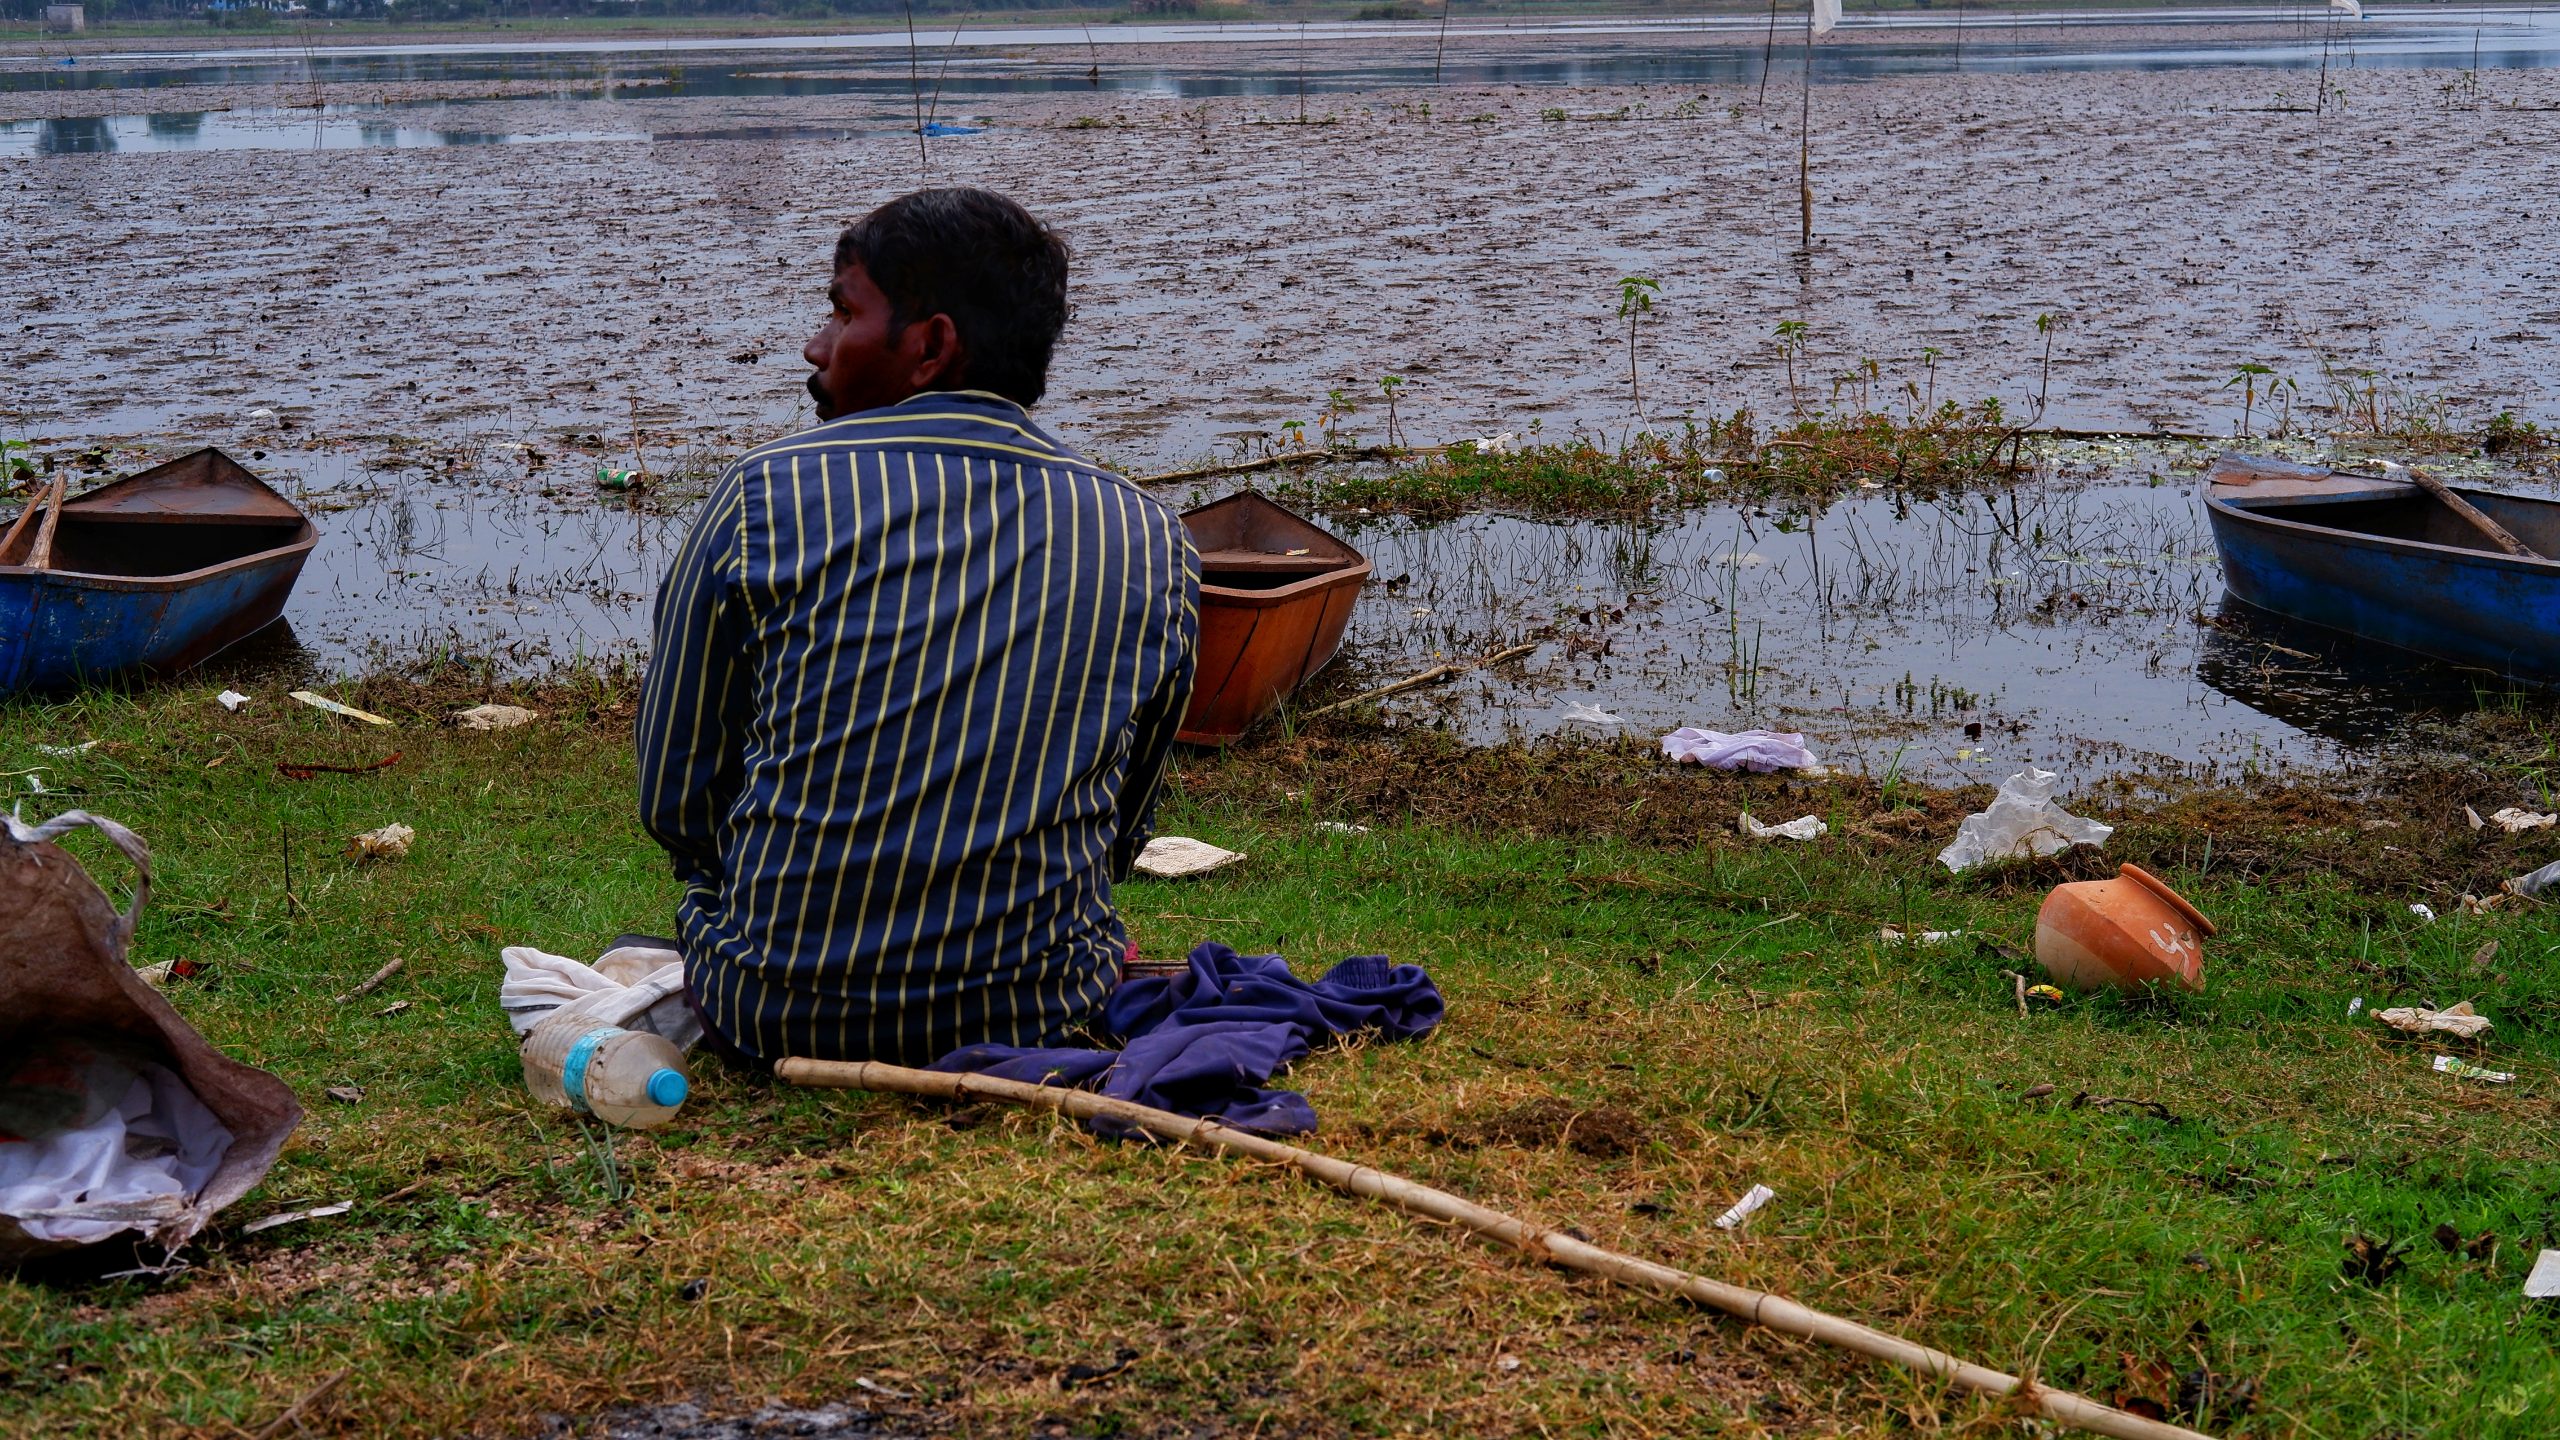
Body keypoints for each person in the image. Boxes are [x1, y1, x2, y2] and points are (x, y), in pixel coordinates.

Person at [636, 187, 1199, 1068]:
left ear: (930, 346)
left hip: (776, 1010)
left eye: (840, 311)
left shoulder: (761, 495)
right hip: (1040, 1005)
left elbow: (677, 800)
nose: (814, 345)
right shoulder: (1148, 533)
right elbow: (1122, 821)